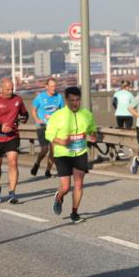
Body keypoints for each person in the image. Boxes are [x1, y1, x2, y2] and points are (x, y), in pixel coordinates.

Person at [45, 86, 98, 223]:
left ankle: (74, 213)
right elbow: (49, 134)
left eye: (78, 100)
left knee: (79, 183)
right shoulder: (58, 116)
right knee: (66, 187)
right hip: (63, 154)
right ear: (66, 100)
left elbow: (92, 129)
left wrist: (93, 135)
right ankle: (59, 197)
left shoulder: (86, 114)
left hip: (80, 152)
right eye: (72, 100)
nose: (75, 103)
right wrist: (61, 141)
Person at [0, 77, 29, 203]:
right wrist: (0, 127)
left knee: (13, 162)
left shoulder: (17, 99)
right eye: (7, 89)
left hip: (12, 136)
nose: (10, 91)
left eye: (12, 89)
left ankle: (12, 193)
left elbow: (25, 113)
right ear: (1, 89)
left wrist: (24, 118)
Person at [30, 77, 64, 178]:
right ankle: (37, 163)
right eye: (51, 86)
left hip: (54, 127)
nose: (54, 88)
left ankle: (48, 171)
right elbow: (33, 109)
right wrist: (37, 119)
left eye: (55, 86)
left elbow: (62, 112)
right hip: (42, 126)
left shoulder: (59, 97)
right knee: (44, 149)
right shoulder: (40, 97)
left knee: (53, 150)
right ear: (46, 87)